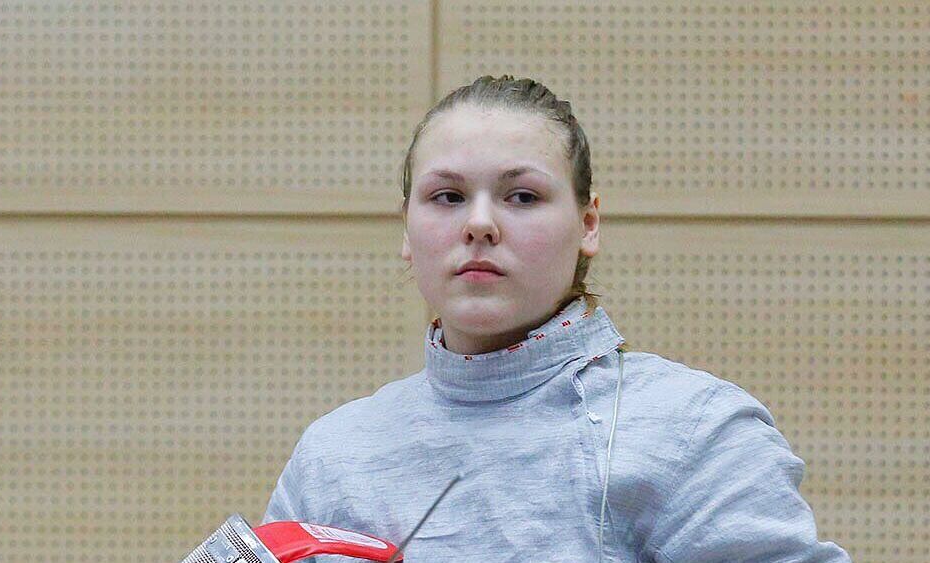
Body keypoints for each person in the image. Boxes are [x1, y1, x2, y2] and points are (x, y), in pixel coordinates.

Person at [262, 75, 852, 562]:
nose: (479, 224)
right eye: (447, 197)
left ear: (588, 224)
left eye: (522, 196)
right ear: (406, 230)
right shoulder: (333, 455)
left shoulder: (694, 431)